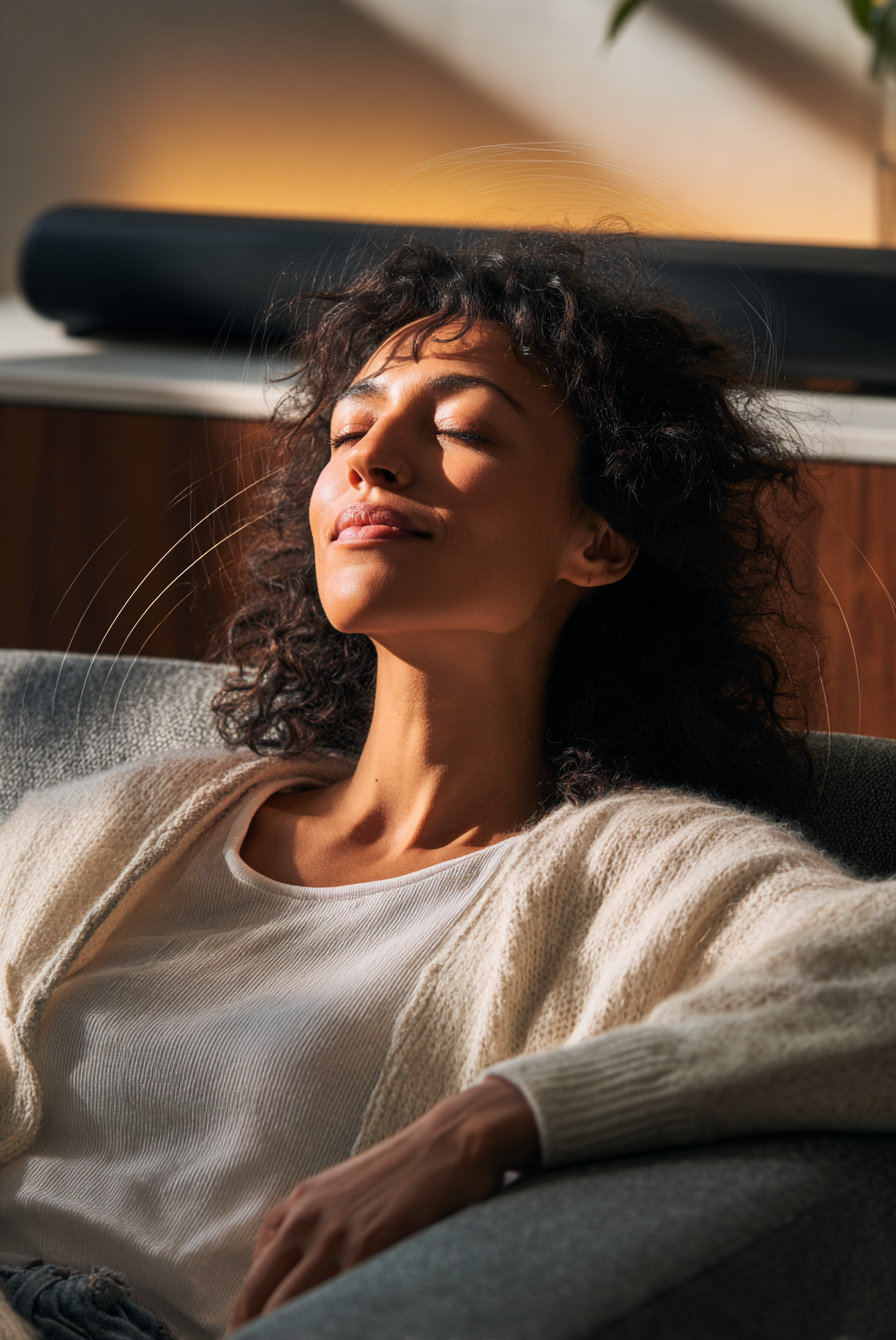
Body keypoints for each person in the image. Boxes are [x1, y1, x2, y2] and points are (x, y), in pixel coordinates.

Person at [1, 232, 894, 1340]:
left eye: (462, 426)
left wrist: (495, 1122)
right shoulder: (100, 831)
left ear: (599, 538)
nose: (371, 456)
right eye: (349, 427)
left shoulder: (635, 877)